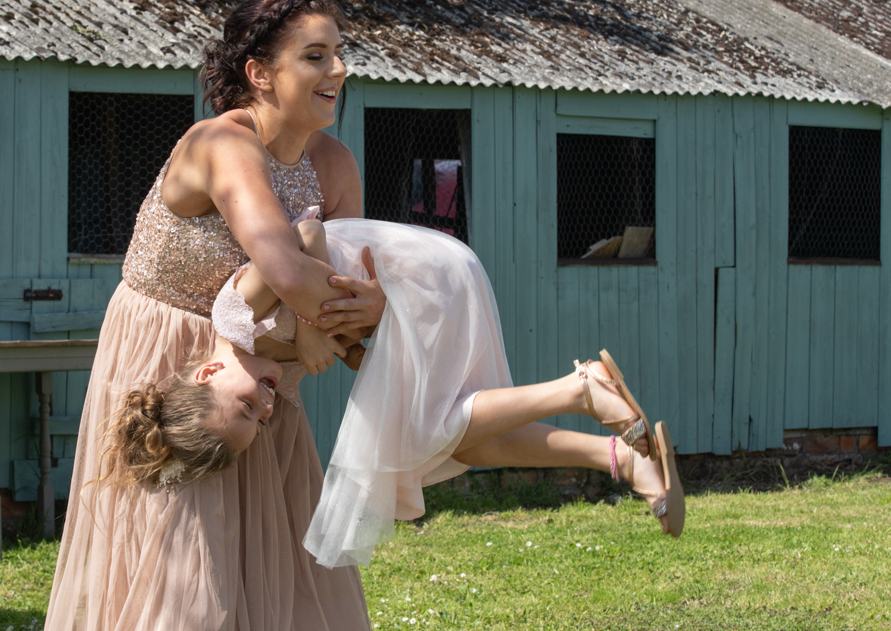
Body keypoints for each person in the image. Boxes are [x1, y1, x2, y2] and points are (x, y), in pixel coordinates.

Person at [46, 0, 383, 630]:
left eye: (340, 53)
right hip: (170, 358)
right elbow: (290, 272)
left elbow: (348, 294)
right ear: (260, 73)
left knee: (270, 558)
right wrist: (345, 315)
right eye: (316, 55)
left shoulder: (335, 165)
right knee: (182, 554)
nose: (339, 70)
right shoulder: (220, 142)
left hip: (267, 363)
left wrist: (366, 309)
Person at [106, 210, 685, 573]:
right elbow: (352, 346)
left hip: (419, 278)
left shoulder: (233, 315)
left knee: (426, 435)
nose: (264, 406)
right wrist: (348, 351)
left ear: (207, 372)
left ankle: (582, 389)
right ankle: (620, 459)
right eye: (258, 420)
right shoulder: (272, 366)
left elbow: (306, 231)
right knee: (463, 440)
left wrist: (308, 324)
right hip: (410, 300)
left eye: (245, 405)